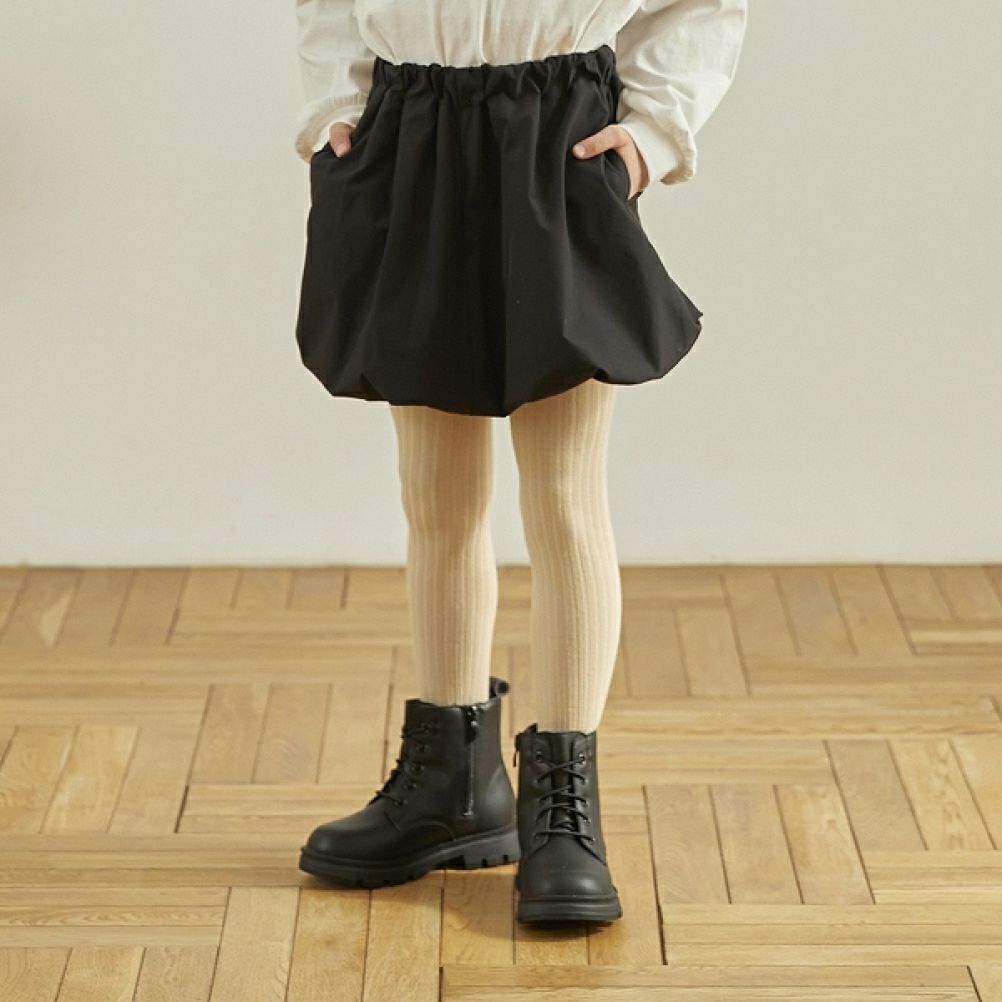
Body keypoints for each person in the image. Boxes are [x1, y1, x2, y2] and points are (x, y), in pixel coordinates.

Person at [292, 0, 748, 925]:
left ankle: (563, 809)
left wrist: (654, 131)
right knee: (437, 496)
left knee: (565, 498)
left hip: (559, 136)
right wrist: (338, 106)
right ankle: (451, 786)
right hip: (410, 133)